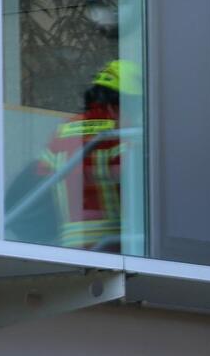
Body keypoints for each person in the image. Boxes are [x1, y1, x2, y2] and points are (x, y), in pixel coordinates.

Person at [36, 60, 141, 252]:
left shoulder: (64, 128)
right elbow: (137, 176)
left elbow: (42, 174)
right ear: (124, 100)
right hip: (115, 240)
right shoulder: (120, 129)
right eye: (136, 104)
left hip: (71, 241)